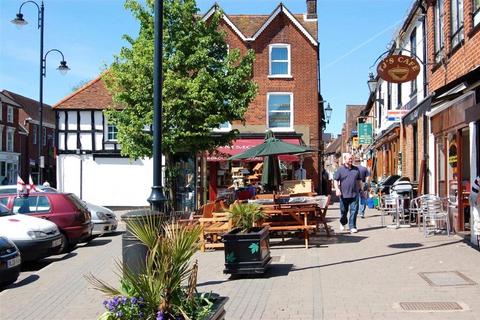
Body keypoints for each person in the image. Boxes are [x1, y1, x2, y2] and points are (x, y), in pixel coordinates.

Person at [333, 153, 362, 233]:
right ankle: (343, 222)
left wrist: (361, 189)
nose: (350, 160)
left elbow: (359, 180)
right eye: (349, 159)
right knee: (343, 211)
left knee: (354, 210)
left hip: (354, 194)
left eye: (351, 159)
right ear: (345, 160)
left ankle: (352, 226)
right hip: (343, 194)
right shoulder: (340, 169)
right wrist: (337, 189)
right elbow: (335, 180)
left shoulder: (356, 169)